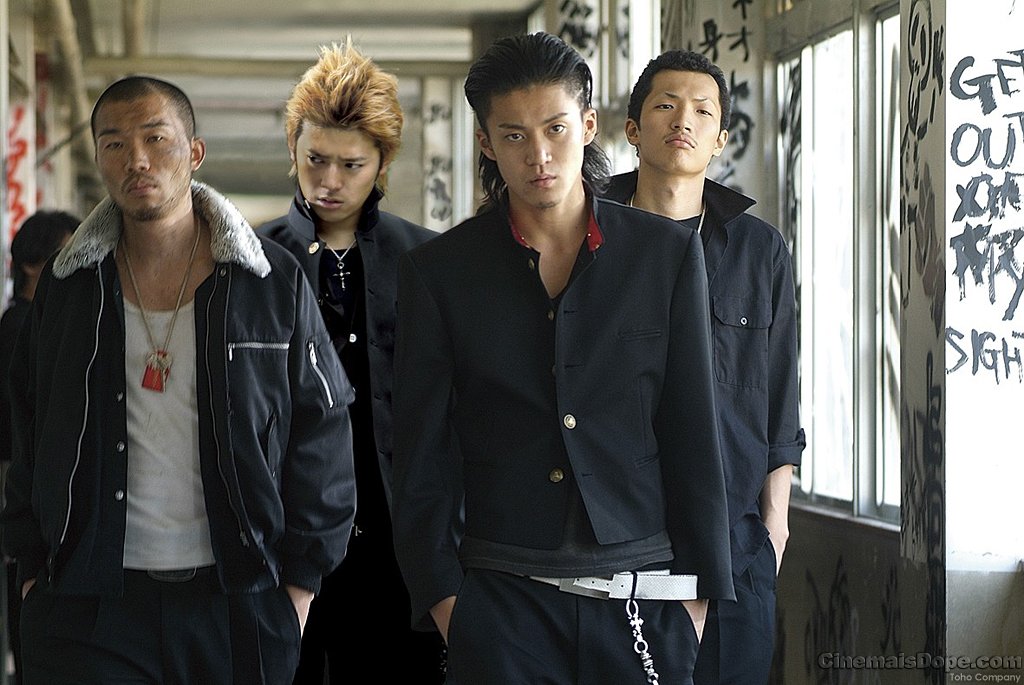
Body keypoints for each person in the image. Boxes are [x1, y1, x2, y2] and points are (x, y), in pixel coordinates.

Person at [391, 32, 734, 685]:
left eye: (555, 128)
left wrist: (696, 606)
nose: (540, 155)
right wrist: (449, 606)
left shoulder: (664, 255)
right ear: (486, 143)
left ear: (589, 125)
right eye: (514, 136)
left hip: (643, 591)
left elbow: (694, 430)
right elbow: (419, 455)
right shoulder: (440, 273)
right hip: (501, 600)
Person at [0, 75, 357, 685]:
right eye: (114, 144)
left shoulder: (270, 283)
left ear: (194, 152)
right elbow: (30, 422)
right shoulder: (70, 286)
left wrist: (300, 586)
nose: (136, 159)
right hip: (88, 607)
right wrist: (31, 568)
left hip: (236, 600)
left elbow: (321, 430)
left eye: (155, 138)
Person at [603, 50, 806, 685]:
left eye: (702, 111)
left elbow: (780, 397)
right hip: (613, 541)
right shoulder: (585, 236)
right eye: (665, 106)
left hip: (736, 542)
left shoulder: (759, 250)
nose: (682, 121)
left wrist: (774, 529)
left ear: (720, 139)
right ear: (632, 129)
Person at [259, 42, 445, 684]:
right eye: (315, 160)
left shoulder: (426, 263)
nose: (329, 182)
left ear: (383, 163)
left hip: (399, 548)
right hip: (285, 542)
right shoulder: (253, 262)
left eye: (351, 165)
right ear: (293, 150)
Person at [0, 209, 78, 685]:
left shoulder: (43, 319)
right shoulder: (21, 325)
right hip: (18, 476)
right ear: (33, 263)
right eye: (65, 252)